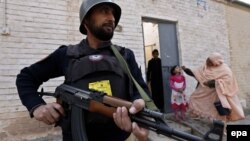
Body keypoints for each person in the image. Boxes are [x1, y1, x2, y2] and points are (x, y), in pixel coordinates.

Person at [15, 0, 150, 141]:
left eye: (113, 14)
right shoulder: (66, 54)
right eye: (104, 11)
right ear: (86, 19)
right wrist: (36, 106)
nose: (112, 18)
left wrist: (139, 110)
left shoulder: (125, 55)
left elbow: (140, 93)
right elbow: (26, 77)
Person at [182, 52, 245, 122]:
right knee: (193, 99)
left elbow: (228, 81)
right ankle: (204, 121)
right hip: (203, 93)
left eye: (210, 62)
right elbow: (197, 73)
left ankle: (220, 127)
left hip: (216, 95)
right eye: (208, 61)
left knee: (217, 112)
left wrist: (210, 83)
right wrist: (186, 70)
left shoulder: (225, 69)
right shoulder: (205, 67)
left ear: (216, 61)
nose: (208, 63)